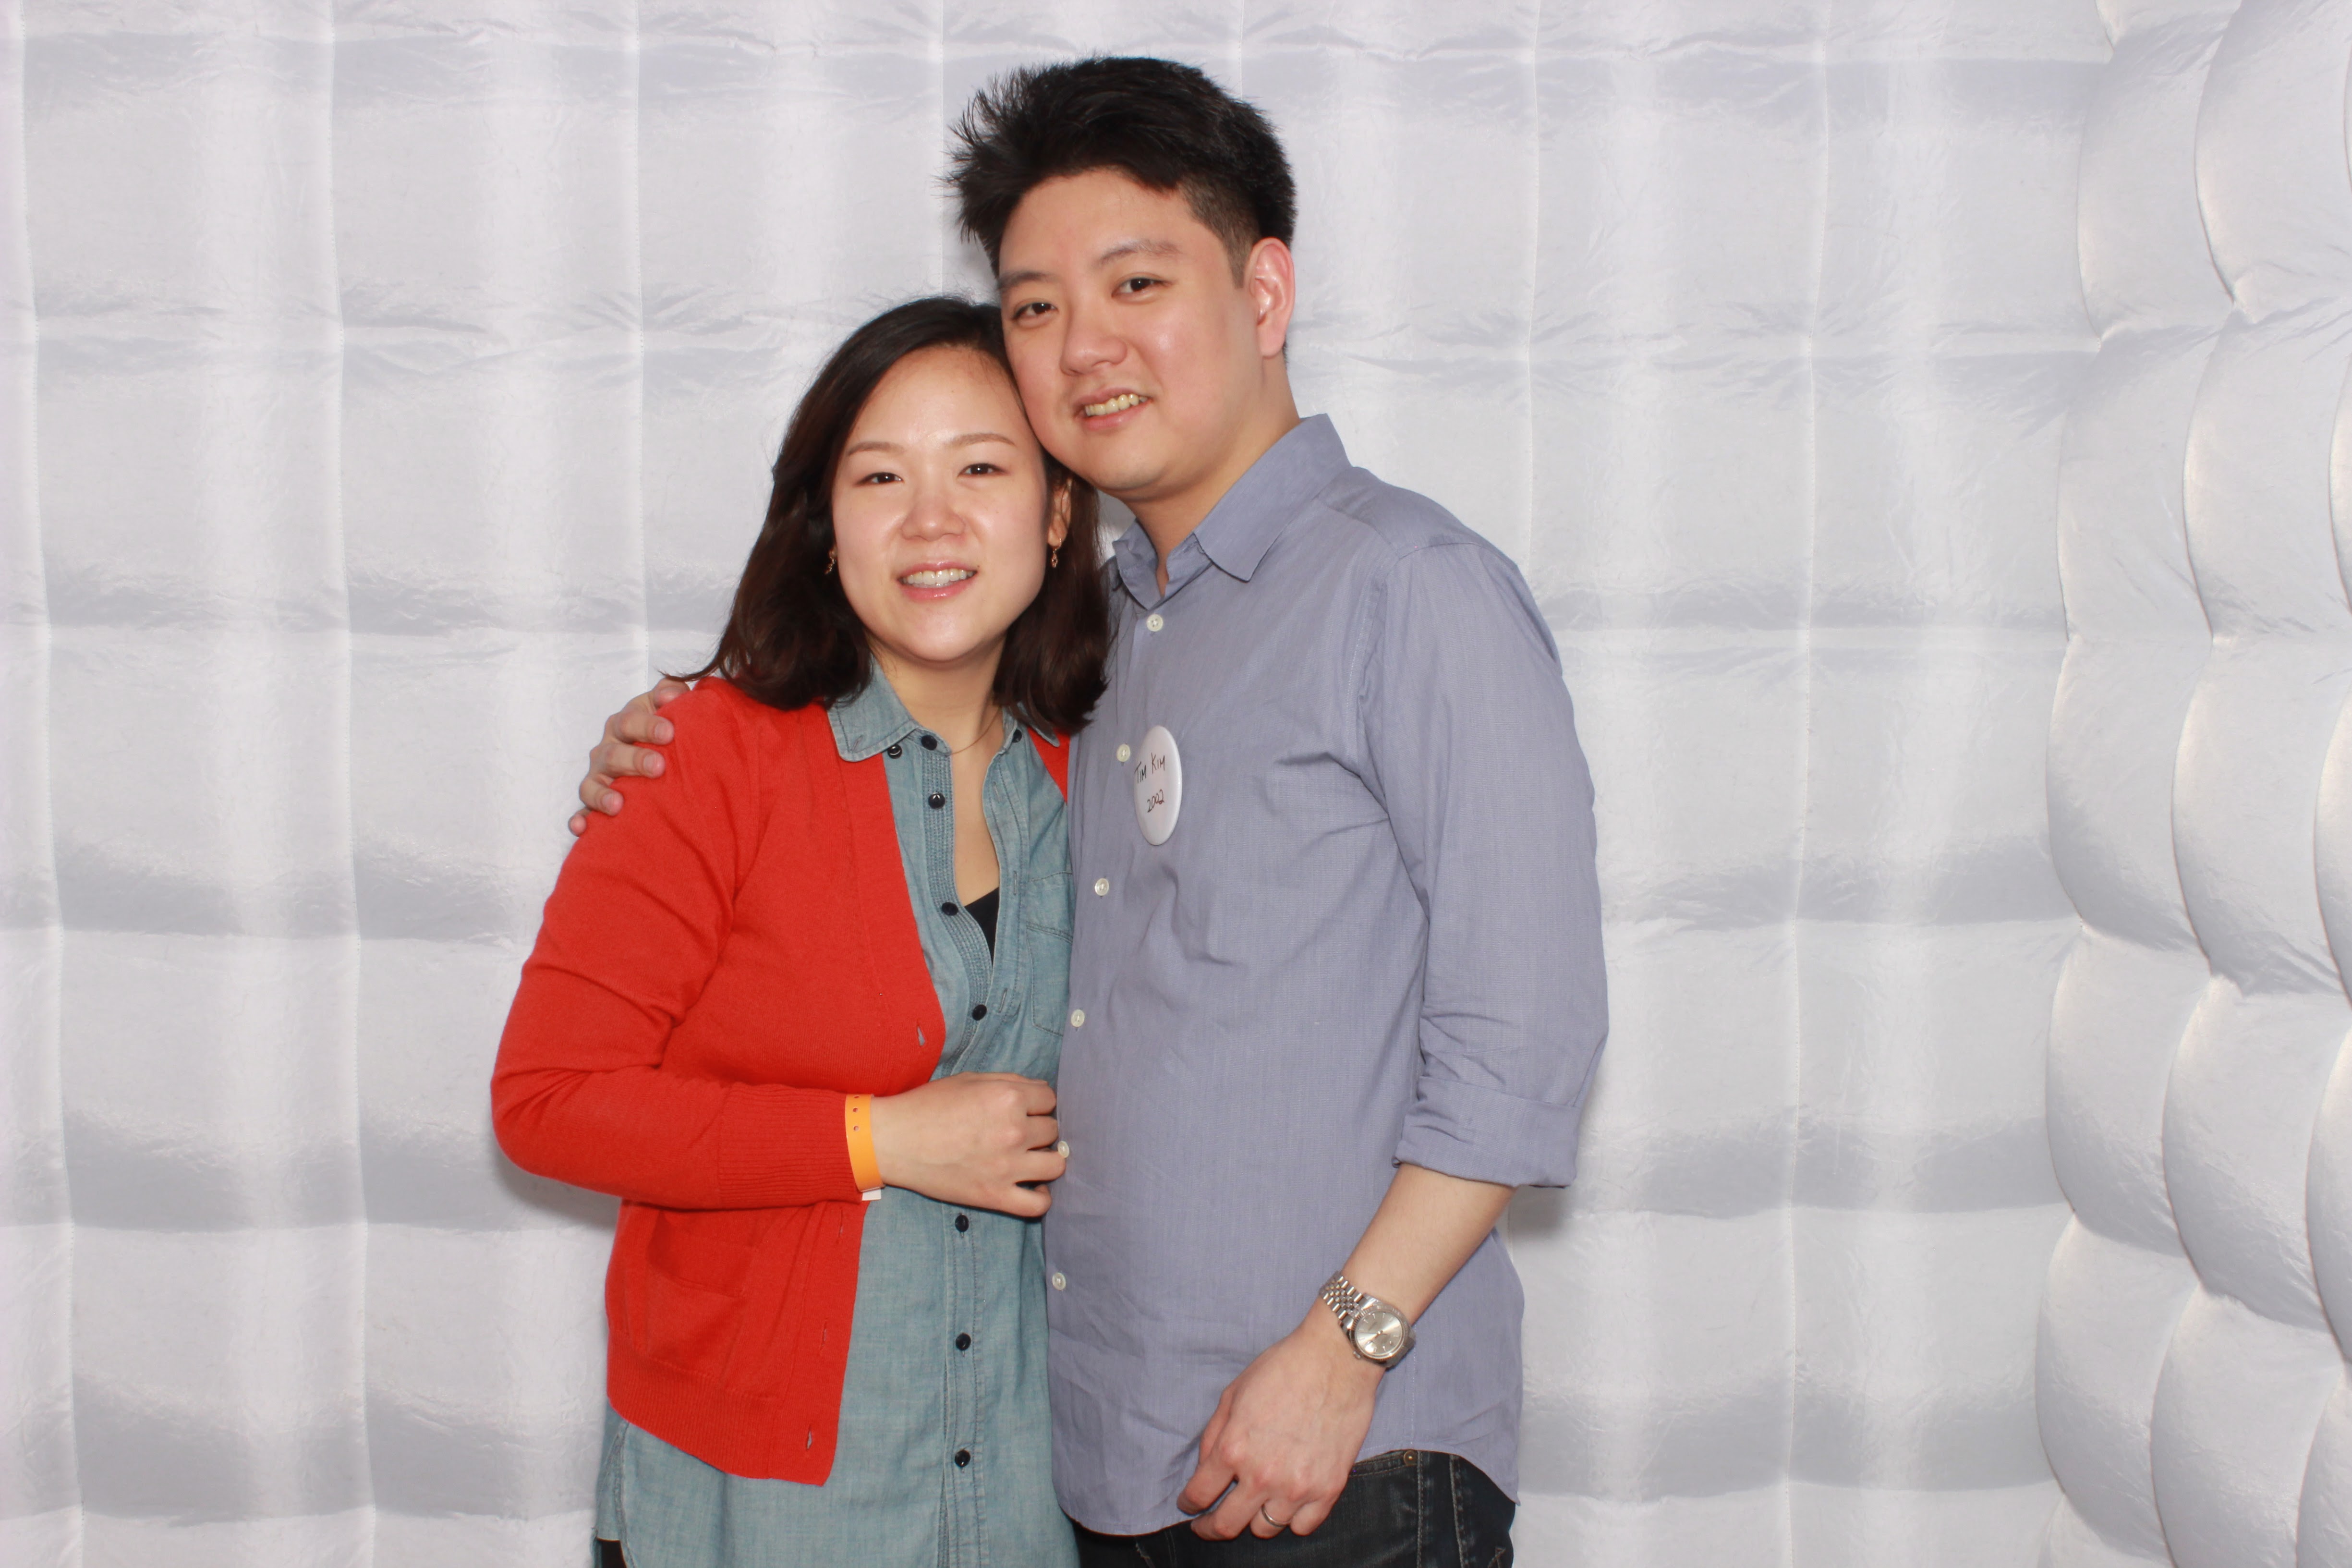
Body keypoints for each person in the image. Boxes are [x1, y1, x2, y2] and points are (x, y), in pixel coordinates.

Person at [573, 58, 1606, 1567]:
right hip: (1099, 1462)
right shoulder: (1092, 650)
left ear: (1264, 291)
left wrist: (1344, 1348)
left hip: (1336, 1461)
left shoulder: (1411, 589)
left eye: (1136, 283)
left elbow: (1522, 1041)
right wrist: (672, 742)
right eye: (1035, 305)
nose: (1083, 345)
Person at [495, 295, 1109, 1568]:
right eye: (880, 477)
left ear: (1057, 512)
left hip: (1027, 1491)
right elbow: (547, 1102)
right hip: (761, 1504)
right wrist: (879, 1137)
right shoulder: (704, 756)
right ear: (825, 526)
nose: (930, 521)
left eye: (981, 470)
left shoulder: (1098, 772)